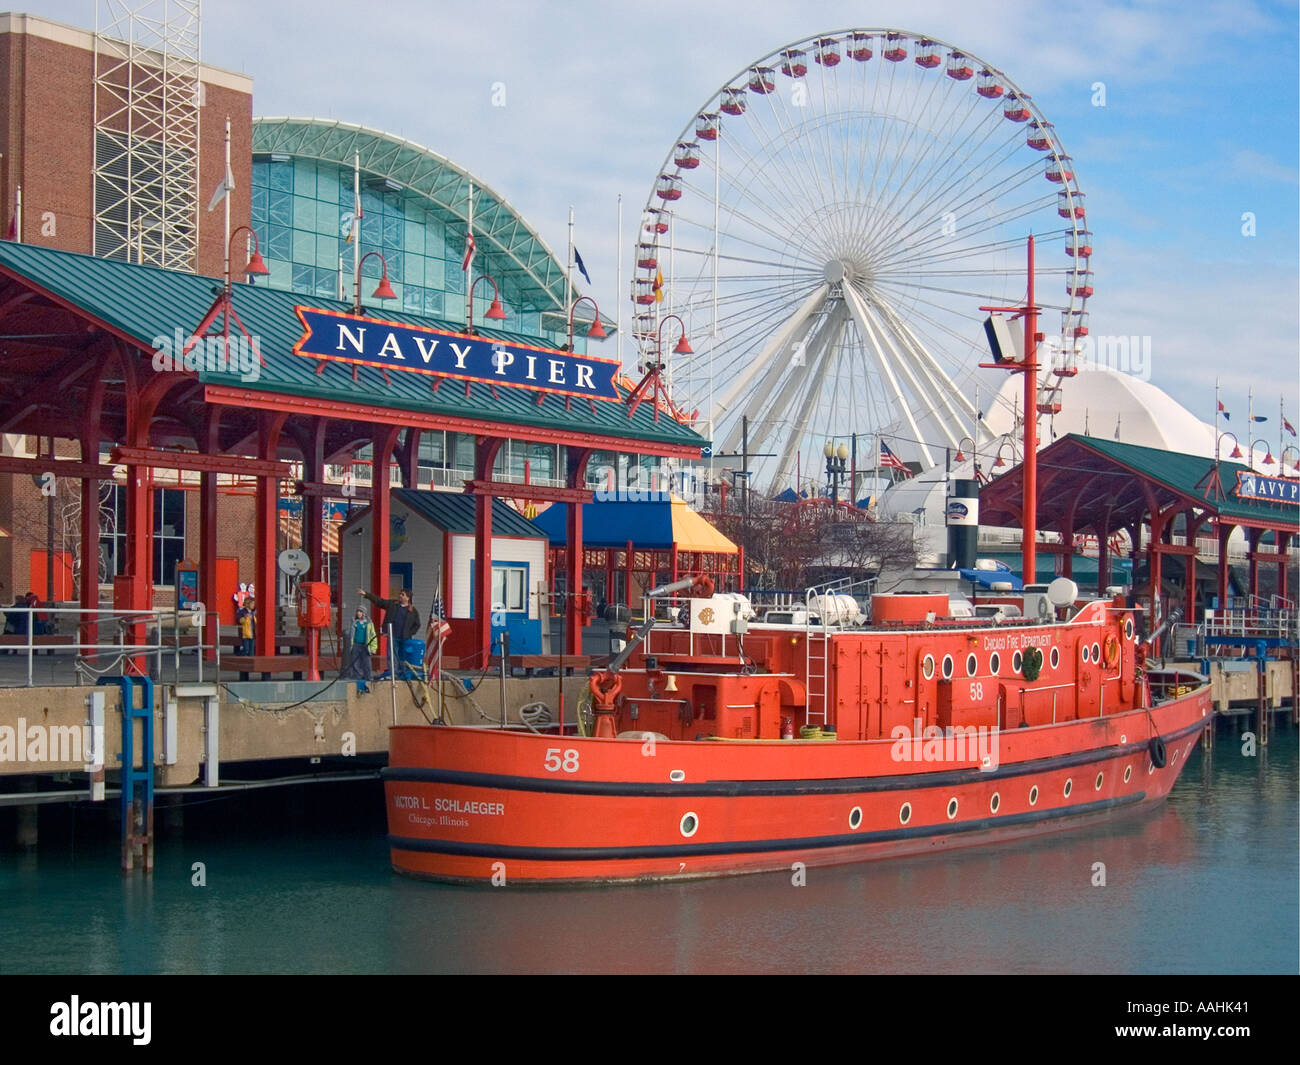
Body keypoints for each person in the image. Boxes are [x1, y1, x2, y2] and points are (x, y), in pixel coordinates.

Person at [358, 586, 422, 679]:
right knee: (391, 656)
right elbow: (379, 601)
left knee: (403, 656)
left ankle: (402, 674)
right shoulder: (392, 604)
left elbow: (417, 624)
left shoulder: (412, 611)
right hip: (392, 636)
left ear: (408, 598)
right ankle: (393, 674)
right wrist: (366, 595)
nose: (400, 596)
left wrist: (410, 633)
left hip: (405, 638)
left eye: (402, 594)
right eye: (400, 594)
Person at [342, 606, 378, 693]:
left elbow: (373, 636)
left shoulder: (369, 624)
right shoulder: (355, 623)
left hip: (365, 645)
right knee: (355, 663)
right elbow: (351, 636)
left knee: (367, 663)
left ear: (364, 613)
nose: (358, 613)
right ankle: (357, 678)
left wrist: (373, 648)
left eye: (360, 612)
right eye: (357, 611)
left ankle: (368, 678)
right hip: (356, 645)